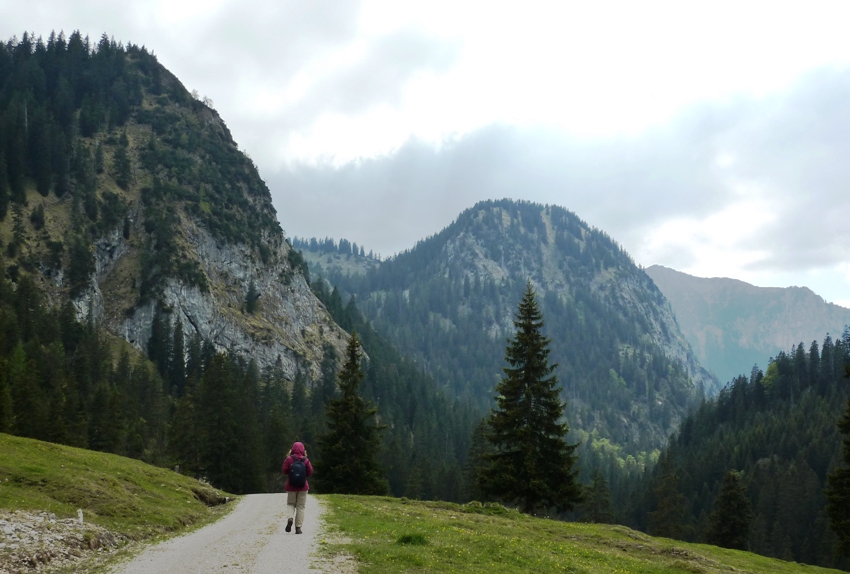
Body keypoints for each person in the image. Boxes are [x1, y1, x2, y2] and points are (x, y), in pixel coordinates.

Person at [282, 441, 313, 534]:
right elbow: (310, 472)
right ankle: (298, 528)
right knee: (301, 507)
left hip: (291, 485)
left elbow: (284, 471)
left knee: (290, 504)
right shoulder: (305, 460)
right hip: (303, 486)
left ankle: (290, 518)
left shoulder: (289, 459)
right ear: (303, 450)